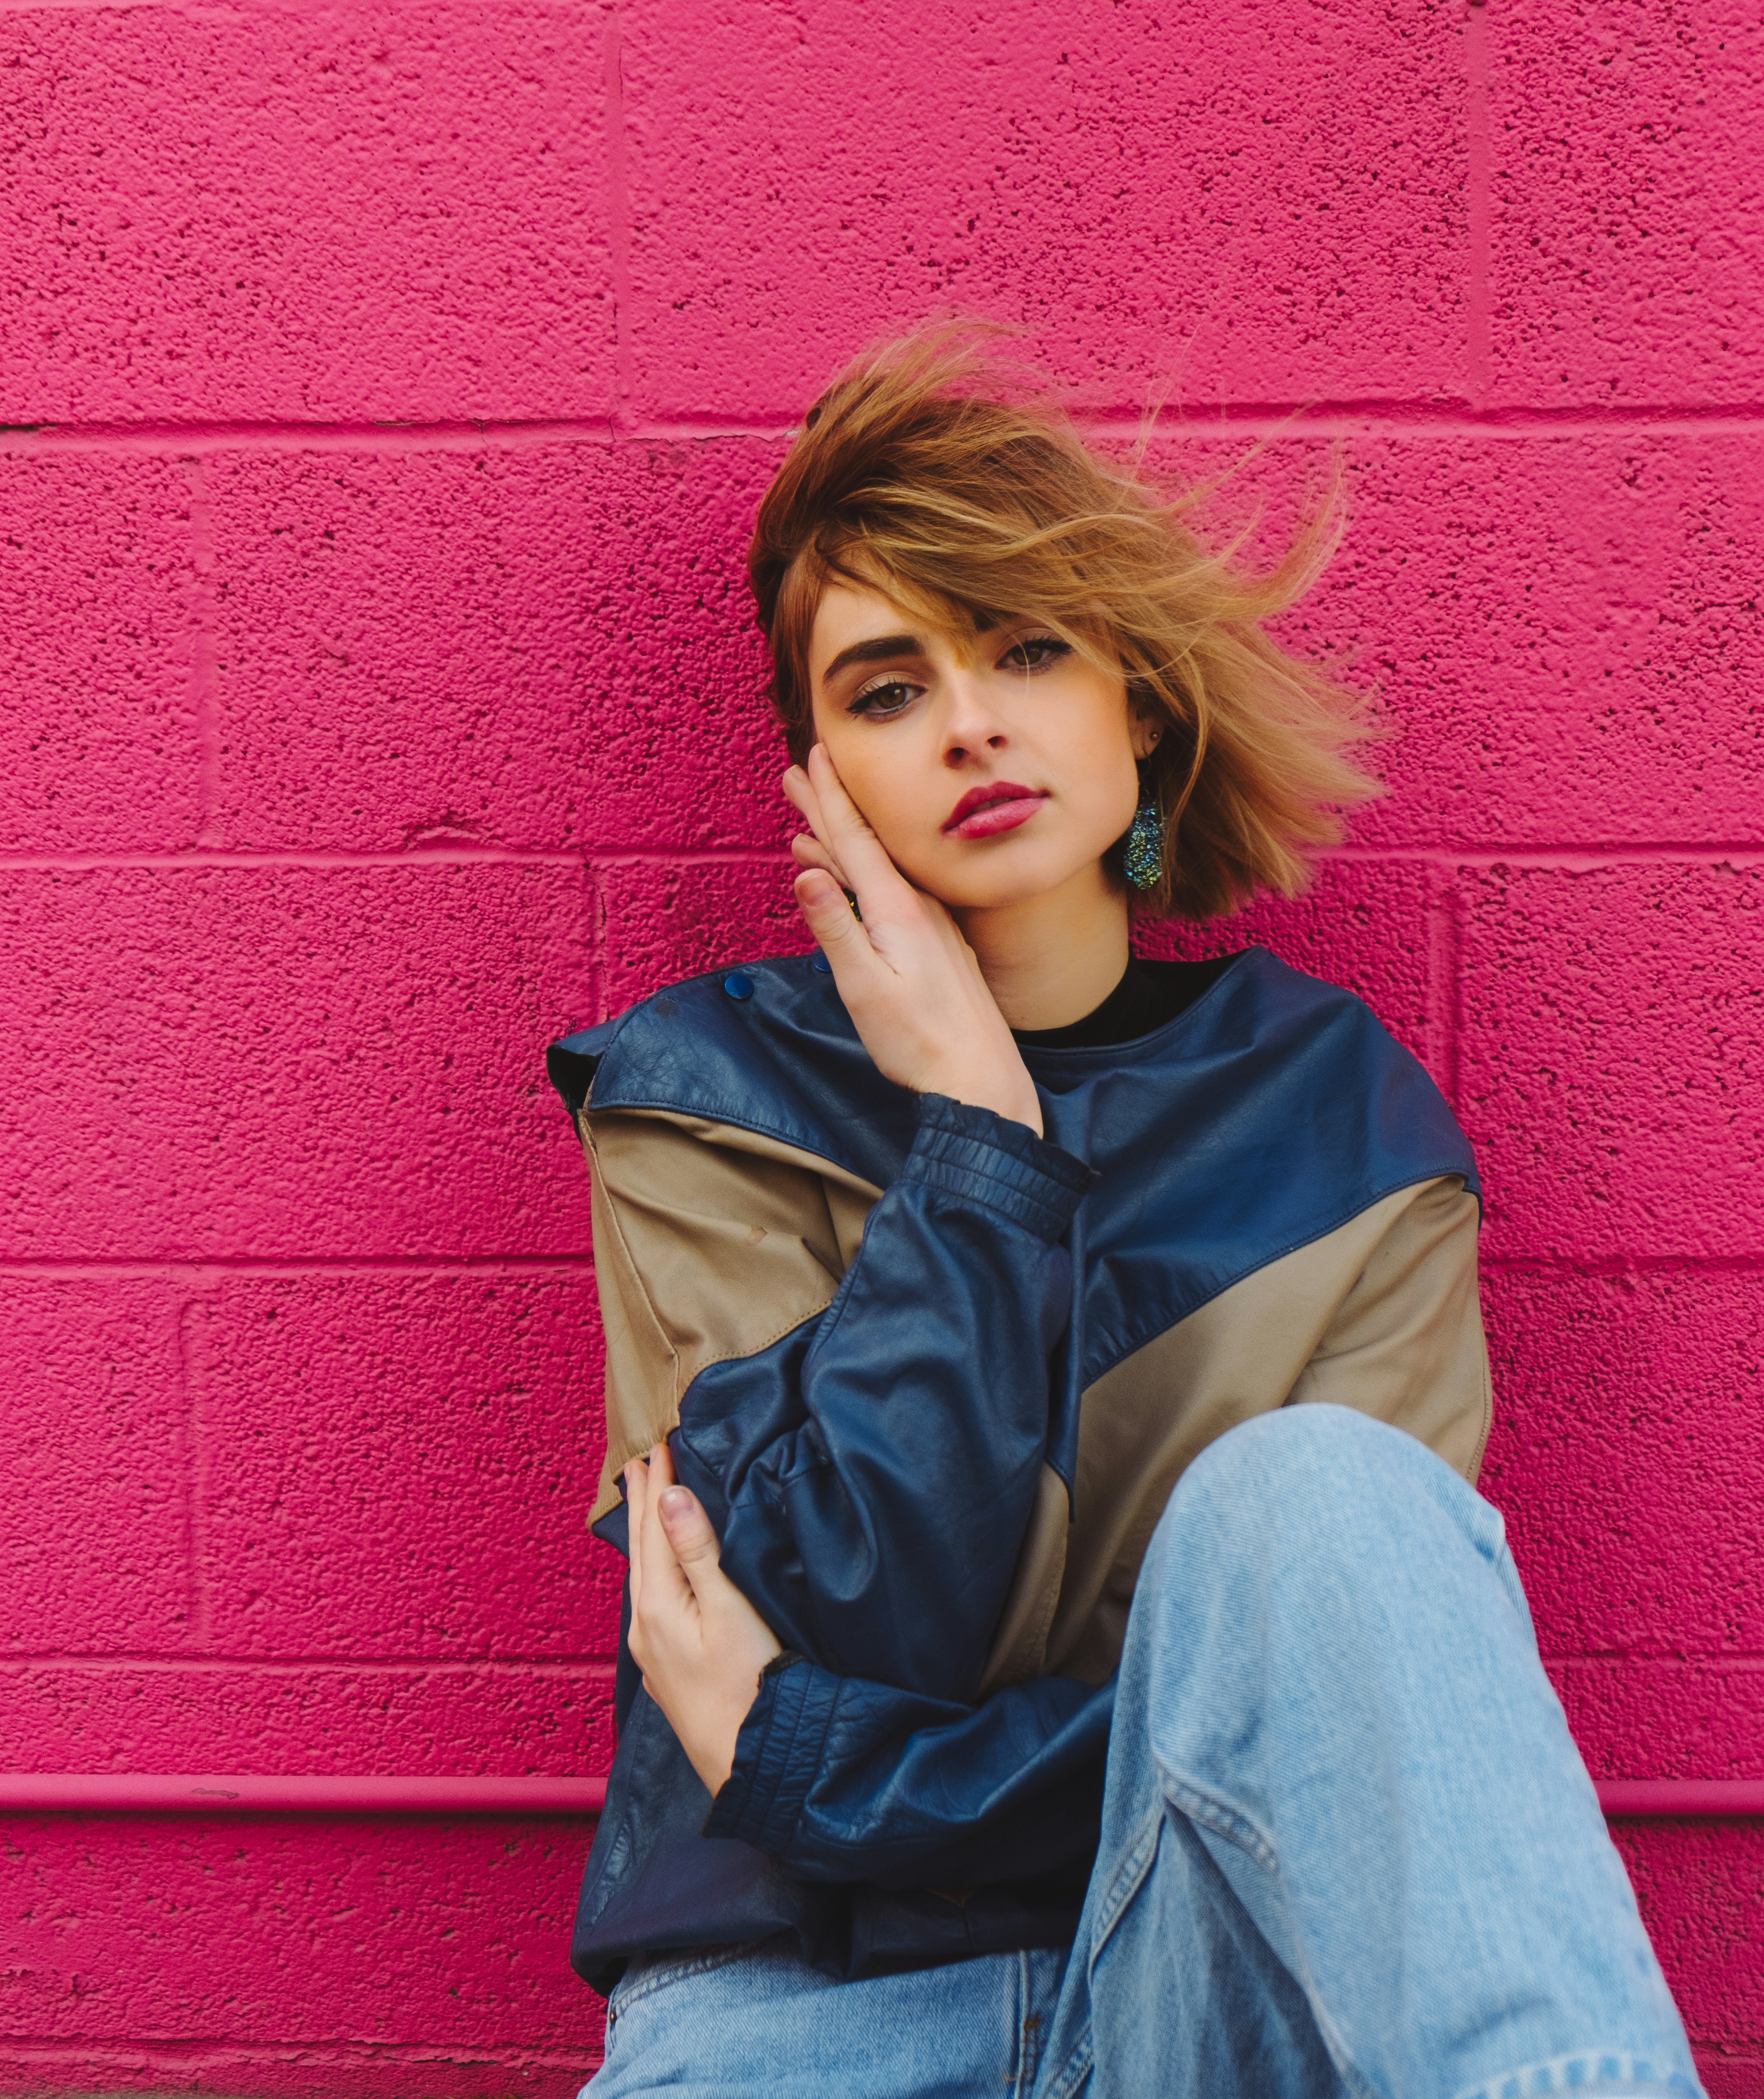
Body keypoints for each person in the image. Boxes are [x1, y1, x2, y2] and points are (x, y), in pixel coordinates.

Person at [546, 329, 1698, 2098]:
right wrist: (978, 1133)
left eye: (1021, 646)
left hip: (1207, 1975)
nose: (969, 720)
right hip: (796, 2006)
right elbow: (860, 1602)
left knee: (1317, 1503)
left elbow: (1346, 1732)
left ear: (1136, 703)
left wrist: (812, 1764)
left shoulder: (1336, 1120)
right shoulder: (703, 1097)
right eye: (883, 687)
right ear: (819, 780)